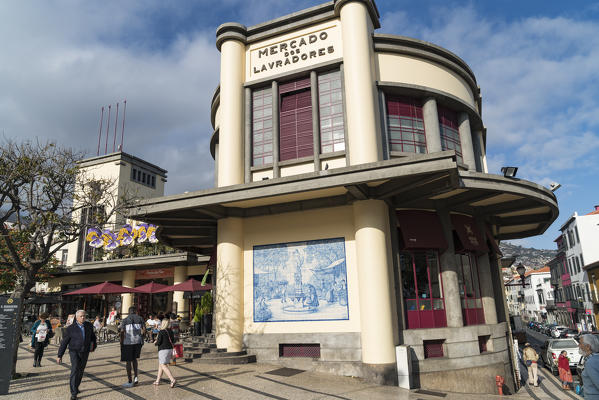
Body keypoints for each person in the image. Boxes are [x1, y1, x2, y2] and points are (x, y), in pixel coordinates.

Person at [57, 310, 97, 400]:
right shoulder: (71, 328)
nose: (83, 317)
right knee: (75, 369)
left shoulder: (89, 325)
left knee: (81, 370)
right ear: (77, 317)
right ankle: (73, 393)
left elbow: (93, 337)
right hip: (74, 351)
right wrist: (60, 355)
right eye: (81, 316)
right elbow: (64, 342)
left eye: (84, 316)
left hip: (85, 351)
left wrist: (93, 347)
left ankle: (76, 387)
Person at [119, 306, 145, 388]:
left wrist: (121, 342)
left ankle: (130, 381)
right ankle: (136, 377)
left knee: (128, 361)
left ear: (128, 312)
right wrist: (141, 337)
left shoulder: (125, 320)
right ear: (136, 311)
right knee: (134, 359)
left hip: (128, 343)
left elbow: (122, 332)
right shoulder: (140, 318)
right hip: (138, 342)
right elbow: (144, 330)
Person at [153, 318, 177, 387]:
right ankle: (157, 381)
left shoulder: (161, 332)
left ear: (163, 324)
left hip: (163, 350)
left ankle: (172, 379)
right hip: (170, 349)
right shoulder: (171, 331)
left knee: (163, 365)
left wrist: (155, 343)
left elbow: (159, 342)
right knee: (161, 365)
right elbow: (172, 340)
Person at [580, 334, 599, 399]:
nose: (578, 345)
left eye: (580, 343)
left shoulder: (591, 362)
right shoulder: (594, 359)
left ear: (588, 347)